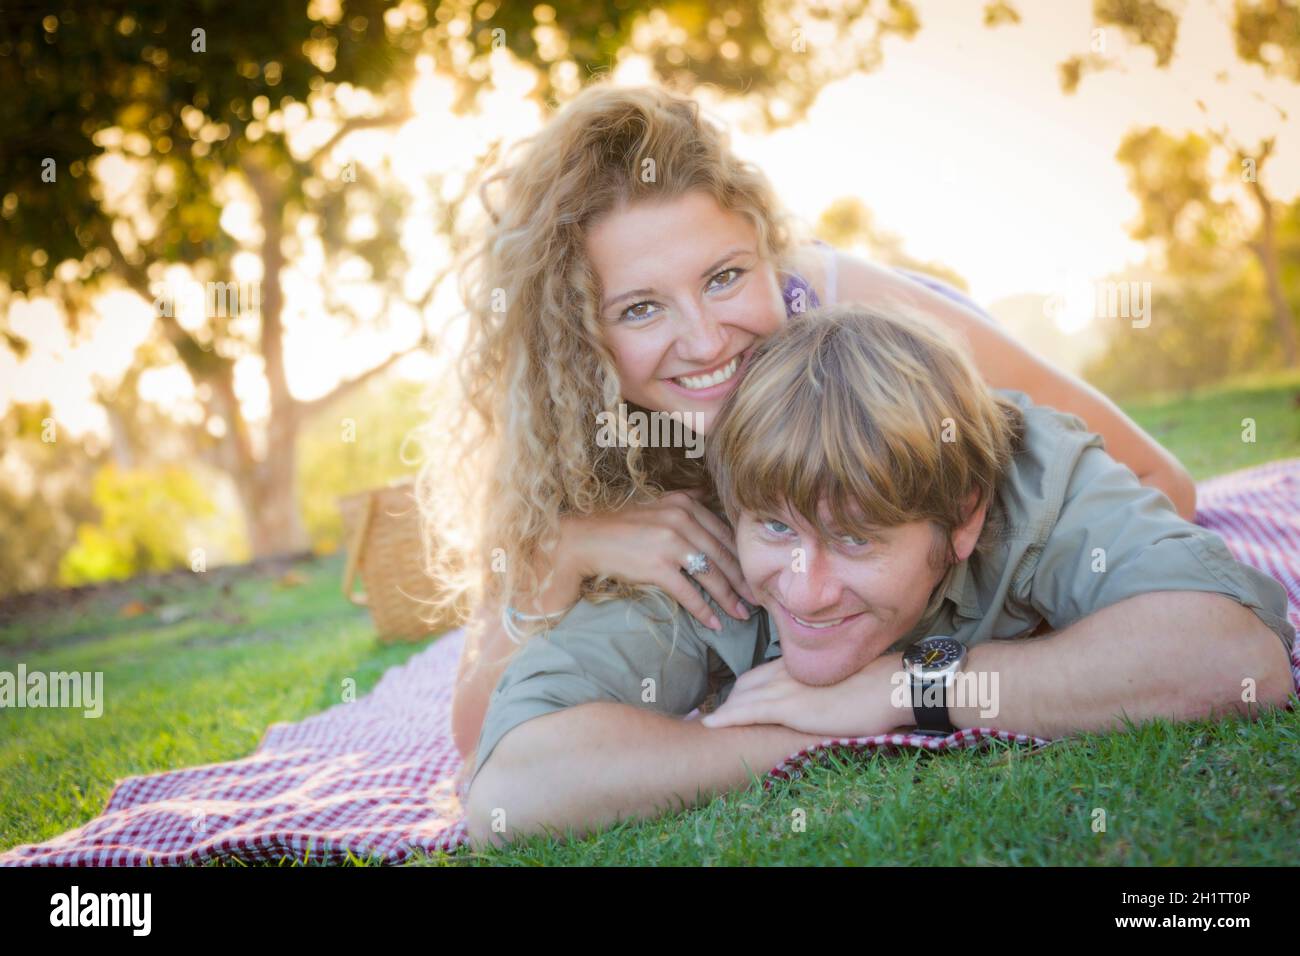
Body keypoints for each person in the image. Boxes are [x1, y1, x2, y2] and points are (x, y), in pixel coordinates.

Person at [413, 79, 1198, 790]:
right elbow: (481, 733)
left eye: (724, 276)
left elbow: (1165, 483)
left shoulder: (858, 315)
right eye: (641, 308)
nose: (708, 340)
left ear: (763, 247)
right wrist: (565, 555)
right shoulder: (568, 426)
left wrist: (915, 677)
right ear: (578, 338)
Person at [461, 304, 1295, 849]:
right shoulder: (722, 543)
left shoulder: (1039, 478)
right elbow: (515, 786)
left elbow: (1236, 661)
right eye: (778, 528)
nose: (804, 588)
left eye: (856, 541)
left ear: (964, 516)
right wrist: (793, 733)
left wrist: (912, 690)